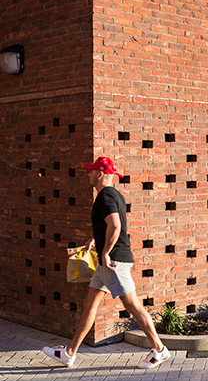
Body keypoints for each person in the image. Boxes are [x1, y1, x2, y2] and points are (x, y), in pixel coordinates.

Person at [41, 156, 170, 369]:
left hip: (113, 262)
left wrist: (106, 252)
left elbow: (115, 225)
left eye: (91, 171)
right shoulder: (114, 195)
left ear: (100, 174)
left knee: (133, 306)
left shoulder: (104, 197)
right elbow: (108, 225)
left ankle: (159, 349)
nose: (88, 174)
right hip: (106, 264)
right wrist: (96, 239)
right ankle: (69, 353)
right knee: (89, 304)